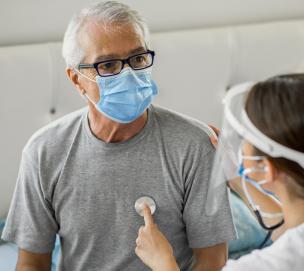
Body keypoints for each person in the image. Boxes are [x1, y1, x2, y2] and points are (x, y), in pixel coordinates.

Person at [1, 1, 235, 270]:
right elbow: (32, 263)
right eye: (108, 65)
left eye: (137, 59)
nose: (128, 75)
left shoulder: (194, 145)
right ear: (76, 79)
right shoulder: (44, 152)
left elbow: (213, 260)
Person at [134, 74, 304, 271]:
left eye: (247, 137)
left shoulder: (262, 266)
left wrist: (163, 261)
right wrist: (239, 180)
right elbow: (295, 233)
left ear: (267, 168)